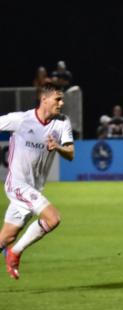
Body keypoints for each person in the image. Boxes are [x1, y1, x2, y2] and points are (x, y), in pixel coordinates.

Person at [0, 83, 74, 279]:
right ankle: (14, 253)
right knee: (53, 218)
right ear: (44, 99)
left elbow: (71, 153)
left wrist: (57, 146)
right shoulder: (21, 120)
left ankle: (10, 248)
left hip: (33, 188)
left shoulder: (62, 122)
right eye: (58, 99)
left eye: (62, 99)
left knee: (6, 237)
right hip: (16, 185)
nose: (62, 102)